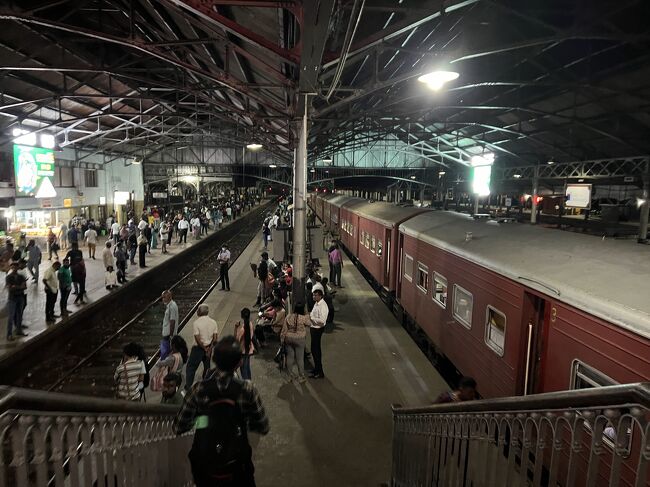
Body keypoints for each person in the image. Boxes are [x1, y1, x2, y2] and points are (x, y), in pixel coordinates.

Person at [174, 336, 270, 487]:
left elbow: (179, 426)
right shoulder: (247, 390)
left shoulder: (198, 389)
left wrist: (204, 421)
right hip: (237, 466)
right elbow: (262, 426)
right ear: (239, 362)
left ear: (214, 360)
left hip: (206, 467)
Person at [185, 304, 219, 392]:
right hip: (209, 348)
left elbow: (197, 338)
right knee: (207, 369)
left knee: (190, 368)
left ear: (200, 312)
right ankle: (206, 387)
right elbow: (215, 339)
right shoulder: (213, 322)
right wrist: (209, 349)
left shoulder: (196, 323)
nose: (196, 311)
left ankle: (188, 388)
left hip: (198, 349)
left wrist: (204, 348)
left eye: (197, 310)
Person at [280, 303, 311, 383]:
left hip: (289, 338)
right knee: (299, 359)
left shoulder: (289, 316)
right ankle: (301, 377)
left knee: (290, 357)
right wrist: (307, 315)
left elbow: (284, 329)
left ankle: (289, 376)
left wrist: (282, 339)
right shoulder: (303, 318)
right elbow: (310, 324)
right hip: (300, 339)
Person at [309, 289, 328, 379]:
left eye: (315, 295)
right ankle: (316, 369)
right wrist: (312, 317)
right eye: (313, 295)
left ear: (320, 296)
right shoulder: (316, 304)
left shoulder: (323, 306)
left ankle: (319, 372)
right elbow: (312, 313)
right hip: (314, 329)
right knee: (313, 350)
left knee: (316, 351)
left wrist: (313, 319)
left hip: (317, 330)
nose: (313, 297)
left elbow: (322, 321)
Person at [6, 261, 27, 340]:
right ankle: (9, 334)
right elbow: (10, 289)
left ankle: (19, 330)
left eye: (16, 266)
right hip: (12, 298)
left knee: (19, 315)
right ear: (11, 267)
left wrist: (15, 287)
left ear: (18, 267)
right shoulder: (8, 277)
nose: (14, 268)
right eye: (13, 266)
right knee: (11, 317)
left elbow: (25, 287)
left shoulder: (21, 276)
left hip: (20, 298)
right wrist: (20, 287)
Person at [235, 308, 255, 380]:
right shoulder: (250, 324)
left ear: (242, 316)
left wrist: (236, 327)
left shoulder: (242, 329)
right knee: (247, 367)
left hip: (243, 351)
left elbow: (236, 340)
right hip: (248, 349)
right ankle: (249, 383)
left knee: (243, 370)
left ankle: (247, 386)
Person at [161, 290, 179, 359]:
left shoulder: (172, 306)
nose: (163, 299)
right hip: (167, 334)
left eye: (164, 297)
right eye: (162, 298)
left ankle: (165, 367)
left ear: (170, 297)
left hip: (168, 334)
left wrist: (171, 335)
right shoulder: (169, 306)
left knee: (165, 353)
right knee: (166, 352)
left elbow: (172, 321)